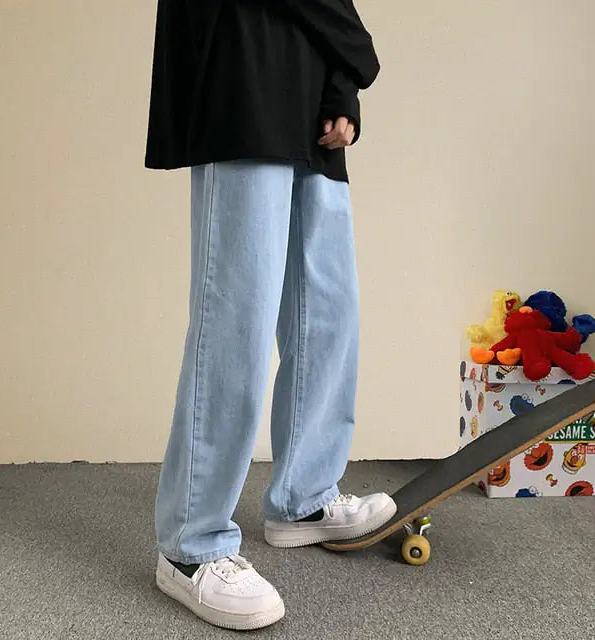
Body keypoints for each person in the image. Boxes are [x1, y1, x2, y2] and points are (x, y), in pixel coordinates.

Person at [144, 0, 397, 630]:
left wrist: (342, 90)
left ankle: (303, 498)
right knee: (238, 317)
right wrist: (359, 50)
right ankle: (190, 544)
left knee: (327, 309)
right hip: (245, 77)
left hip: (310, 99)